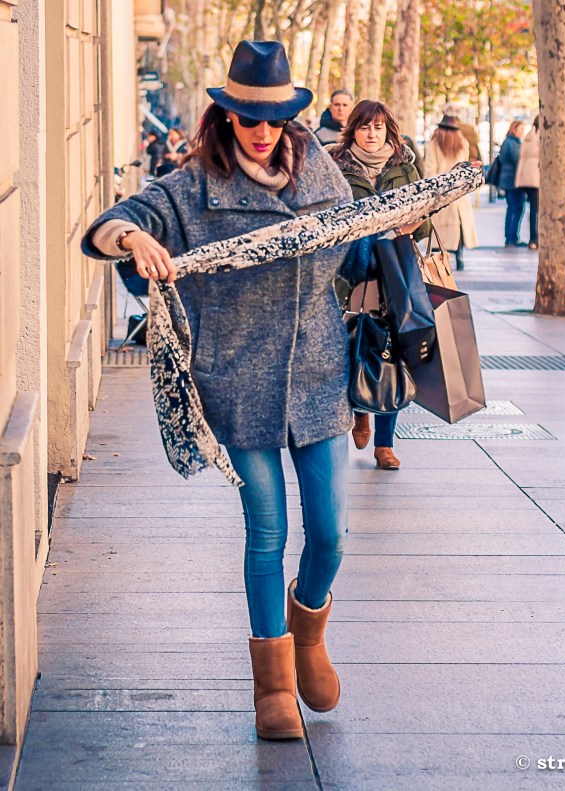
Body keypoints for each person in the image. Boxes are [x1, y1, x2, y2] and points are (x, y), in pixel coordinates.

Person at [81, 40, 359, 743]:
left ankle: (309, 631)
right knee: (266, 531)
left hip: (319, 378)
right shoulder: (192, 186)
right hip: (237, 382)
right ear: (225, 117)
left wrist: (396, 231)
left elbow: (351, 239)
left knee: (327, 532)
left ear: (290, 117)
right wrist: (131, 241)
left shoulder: (319, 170)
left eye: (272, 118)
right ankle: (272, 685)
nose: (261, 131)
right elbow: (111, 223)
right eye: (246, 117)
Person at [332, 100, 430, 471]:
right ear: (352, 130)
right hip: (351, 273)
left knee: (393, 351)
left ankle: (385, 445)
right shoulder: (336, 167)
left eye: (378, 127)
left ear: (389, 129)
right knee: (356, 344)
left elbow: (424, 223)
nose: (371, 135)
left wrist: (409, 225)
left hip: (394, 272)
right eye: (364, 127)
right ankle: (360, 409)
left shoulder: (405, 165)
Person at [424, 114, 478, 269]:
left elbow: (430, 170)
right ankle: (459, 258)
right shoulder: (462, 143)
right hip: (458, 193)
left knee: (438, 229)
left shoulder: (434, 144)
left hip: (440, 192)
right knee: (458, 228)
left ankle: (435, 257)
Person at [499, 120, 526, 247]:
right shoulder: (513, 143)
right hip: (513, 181)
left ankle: (510, 236)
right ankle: (512, 237)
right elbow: (518, 160)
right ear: (514, 130)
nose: (522, 133)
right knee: (518, 208)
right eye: (521, 130)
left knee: (512, 208)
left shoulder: (507, 141)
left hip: (507, 179)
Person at [516, 115, 540, 249]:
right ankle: (536, 238)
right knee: (538, 210)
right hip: (537, 176)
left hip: (526, 177)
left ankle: (533, 238)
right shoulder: (541, 137)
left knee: (533, 209)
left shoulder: (528, 137)